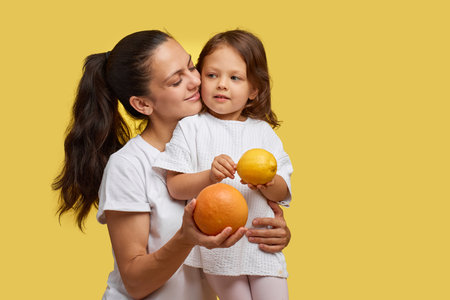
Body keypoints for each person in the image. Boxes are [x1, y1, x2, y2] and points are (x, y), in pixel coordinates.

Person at [52, 30, 291, 300]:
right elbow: (135, 283)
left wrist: (267, 235)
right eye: (177, 80)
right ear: (142, 104)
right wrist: (187, 237)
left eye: (191, 66)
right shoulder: (128, 166)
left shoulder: (226, 142)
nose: (195, 80)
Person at [153, 30, 293, 300]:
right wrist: (209, 175)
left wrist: (268, 182)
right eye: (212, 75)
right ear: (200, 78)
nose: (222, 85)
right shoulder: (191, 128)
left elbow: (282, 192)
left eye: (235, 78)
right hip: (218, 247)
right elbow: (175, 186)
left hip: (261, 245)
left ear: (254, 90)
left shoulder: (264, 133)